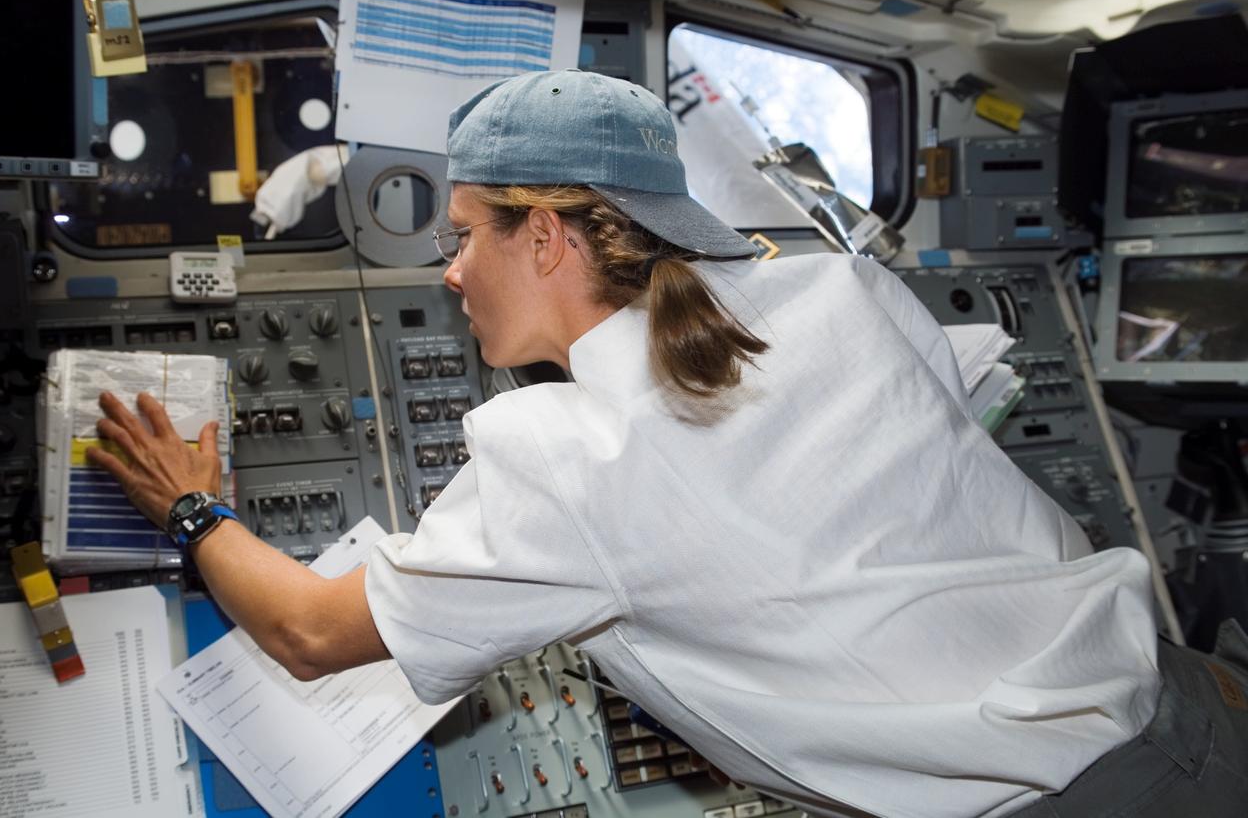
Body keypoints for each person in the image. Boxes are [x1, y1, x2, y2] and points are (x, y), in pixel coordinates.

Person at [89, 69, 1248, 818]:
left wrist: (191, 509)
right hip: (1193, 694)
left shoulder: (563, 456)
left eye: (462, 238)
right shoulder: (839, 290)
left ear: (542, 236)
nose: (447, 274)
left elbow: (303, 630)